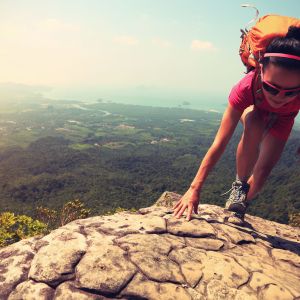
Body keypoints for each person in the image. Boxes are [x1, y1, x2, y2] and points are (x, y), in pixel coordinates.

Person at [172, 25, 300, 222]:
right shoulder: (246, 87)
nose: (281, 97)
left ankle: (238, 206)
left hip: (284, 118)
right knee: (255, 123)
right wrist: (194, 188)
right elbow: (220, 142)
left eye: (291, 92)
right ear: (260, 70)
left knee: (263, 171)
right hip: (256, 109)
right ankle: (239, 186)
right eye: (272, 88)